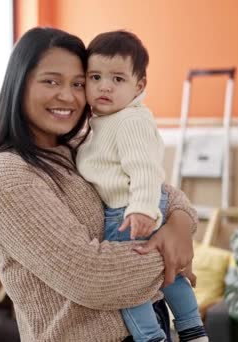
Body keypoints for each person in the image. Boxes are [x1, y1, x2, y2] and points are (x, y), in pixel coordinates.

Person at [0, 27, 199, 342]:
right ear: (19, 84)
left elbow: (162, 191)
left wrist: (179, 223)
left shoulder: (81, 147)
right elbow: (90, 277)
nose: (67, 95)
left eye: (79, 83)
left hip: (152, 325)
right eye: (51, 81)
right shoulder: (5, 175)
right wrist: (172, 251)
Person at [76, 31, 207, 342]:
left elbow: (146, 171)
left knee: (126, 282)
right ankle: (193, 329)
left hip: (128, 211)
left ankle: (150, 337)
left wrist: (142, 209)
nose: (105, 86)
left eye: (118, 79)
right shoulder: (103, 120)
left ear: (140, 85)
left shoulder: (129, 120)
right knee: (165, 269)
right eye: (95, 77)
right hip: (131, 207)